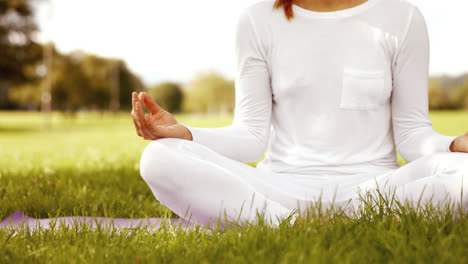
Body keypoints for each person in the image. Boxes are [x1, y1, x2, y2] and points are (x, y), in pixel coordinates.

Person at [132, 0, 468, 228]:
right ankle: (287, 225)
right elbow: (250, 138)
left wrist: (456, 143)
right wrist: (185, 134)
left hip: (377, 192)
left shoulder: (403, 16)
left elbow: (412, 136)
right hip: (278, 188)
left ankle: (340, 220)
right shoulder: (257, 19)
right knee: (158, 158)